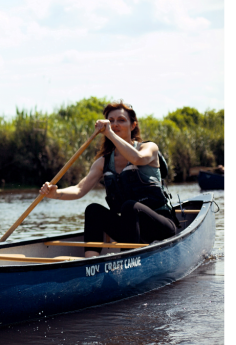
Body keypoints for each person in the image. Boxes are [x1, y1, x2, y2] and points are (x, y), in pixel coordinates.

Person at [39, 101, 177, 258]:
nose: (115, 124)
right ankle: (91, 262)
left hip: (160, 226)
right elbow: (79, 189)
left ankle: (128, 261)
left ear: (133, 126)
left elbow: (137, 158)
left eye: (121, 120)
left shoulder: (149, 148)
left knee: (130, 207)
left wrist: (110, 133)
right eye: (111, 121)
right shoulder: (103, 162)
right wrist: (55, 193)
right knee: (93, 210)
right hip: (130, 230)